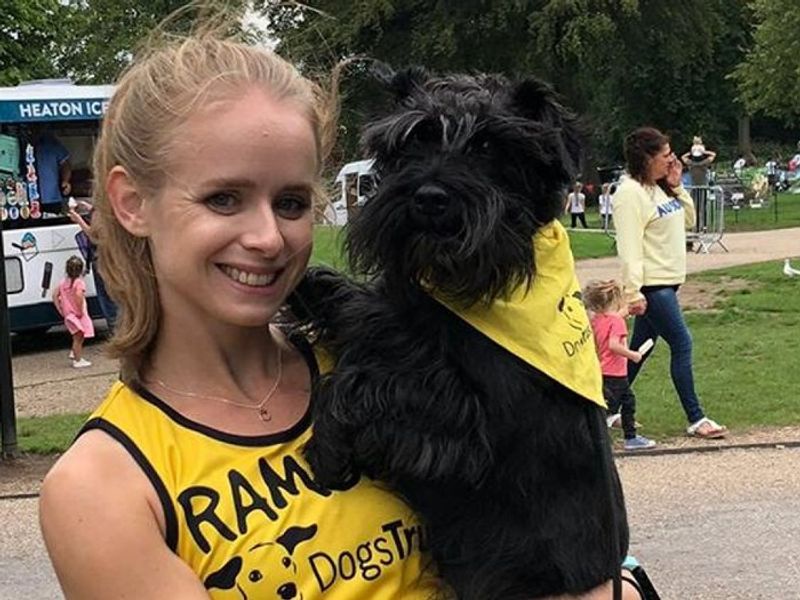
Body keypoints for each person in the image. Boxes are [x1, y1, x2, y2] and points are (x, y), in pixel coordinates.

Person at [37, 21, 646, 600]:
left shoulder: (383, 347)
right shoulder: (106, 489)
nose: (268, 238)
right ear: (131, 202)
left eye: (293, 202)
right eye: (224, 199)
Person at [612, 127, 727, 440]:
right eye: (665, 156)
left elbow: (688, 220)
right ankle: (695, 417)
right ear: (647, 159)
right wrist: (632, 292)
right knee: (682, 342)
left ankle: (606, 408)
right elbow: (630, 247)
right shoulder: (629, 193)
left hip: (667, 282)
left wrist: (677, 187)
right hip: (652, 286)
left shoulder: (661, 189)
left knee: (639, 348)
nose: (672, 161)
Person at [584, 280, 655, 451]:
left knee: (613, 403)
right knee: (621, 404)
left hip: (603, 369)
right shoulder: (616, 322)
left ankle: (609, 436)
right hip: (616, 372)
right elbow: (614, 345)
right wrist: (633, 355)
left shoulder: (598, 320)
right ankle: (628, 438)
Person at [68, 200, 119, 332]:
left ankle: (115, 328)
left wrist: (78, 219)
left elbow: (94, 235)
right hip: (111, 256)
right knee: (112, 292)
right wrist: (89, 207)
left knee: (106, 295)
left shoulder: (102, 215)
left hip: (102, 257)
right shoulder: (108, 209)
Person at [52, 255, 94, 368]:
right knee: (78, 336)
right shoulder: (79, 283)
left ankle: (74, 352)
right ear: (81, 269)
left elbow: (55, 295)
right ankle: (78, 360)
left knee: (79, 334)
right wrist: (80, 310)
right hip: (77, 314)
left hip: (69, 314)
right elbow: (79, 295)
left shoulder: (63, 283)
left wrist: (60, 308)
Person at [29, 125, 72, 215]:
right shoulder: (20, 142)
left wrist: (65, 181)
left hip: (51, 198)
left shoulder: (51, 143)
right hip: (26, 200)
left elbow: (65, 163)